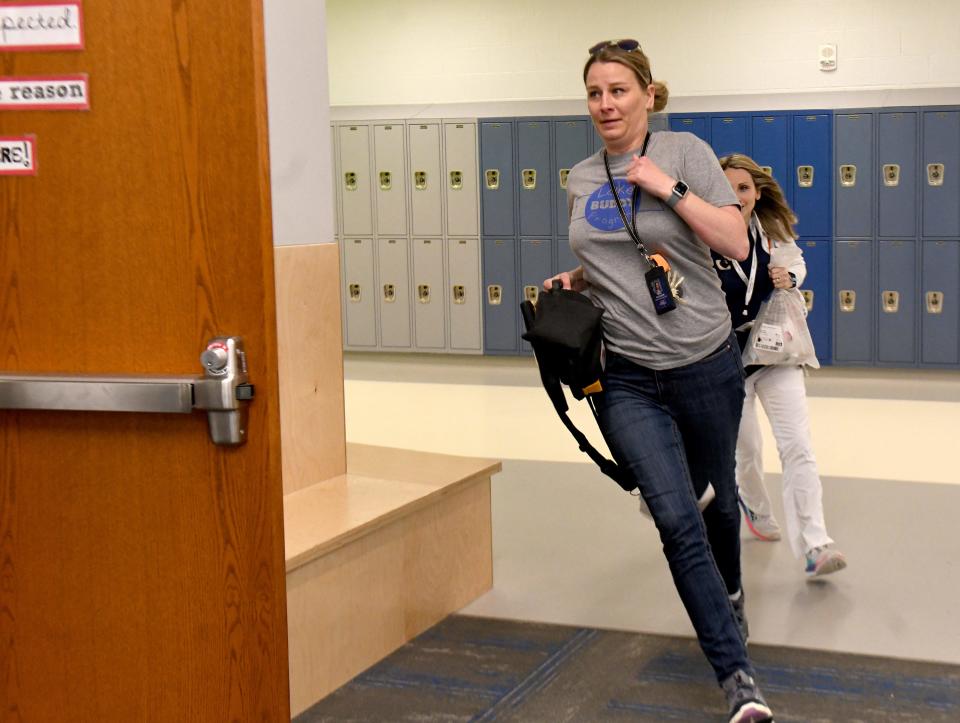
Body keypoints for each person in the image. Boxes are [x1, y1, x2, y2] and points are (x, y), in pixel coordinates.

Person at [545, 40, 774, 723]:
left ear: (648, 94)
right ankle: (737, 676)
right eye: (594, 92)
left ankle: (729, 591)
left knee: (718, 504)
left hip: (704, 361)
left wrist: (665, 187)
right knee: (676, 518)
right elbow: (610, 251)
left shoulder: (686, 155)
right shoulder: (582, 178)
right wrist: (578, 278)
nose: (605, 104)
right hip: (627, 376)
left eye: (618, 90)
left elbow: (733, 242)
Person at [714, 153, 847, 578]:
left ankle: (816, 544)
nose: (737, 198)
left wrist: (792, 277)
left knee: (798, 446)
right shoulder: (702, 233)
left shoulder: (770, 231)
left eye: (744, 189)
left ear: (757, 192)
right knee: (747, 450)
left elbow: (799, 262)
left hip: (774, 352)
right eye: (728, 189)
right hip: (726, 360)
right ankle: (752, 502)